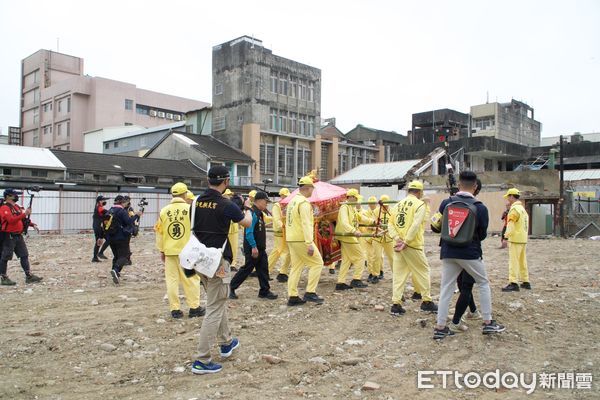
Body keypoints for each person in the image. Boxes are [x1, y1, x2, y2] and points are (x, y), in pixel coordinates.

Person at [188, 165, 253, 375]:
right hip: (218, 262)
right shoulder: (226, 204)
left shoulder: (196, 202)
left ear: (208, 180)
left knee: (217, 301)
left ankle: (226, 343)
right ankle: (202, 359)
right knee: (215, 307)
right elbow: (247, 222)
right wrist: (248, 207)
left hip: (199, 259)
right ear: (226, 181)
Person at [433, 171, 505, 339]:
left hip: (448, 251)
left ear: (459, 185)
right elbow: (482, 235)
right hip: (470, 252)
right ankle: (488, 322)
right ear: (475, 186)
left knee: (446, 288)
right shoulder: (480, 207)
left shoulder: (445, 203)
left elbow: (436, 224)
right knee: (483, 283)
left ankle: (440, 327)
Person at [155, 183, 204, 319]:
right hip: (187, 251)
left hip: (170, 251)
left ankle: (175, 309)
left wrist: (161, 250)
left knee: (171, 280)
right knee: (191, 279)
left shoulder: (164, 211)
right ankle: (194, 307)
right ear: (185, 194)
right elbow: (198, 230)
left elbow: (159, 232)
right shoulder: (190, 209)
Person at [388, 181, 438, 315]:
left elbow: (390, 224)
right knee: (423, 271)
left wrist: (397, 238)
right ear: (420, 192)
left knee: (399, 275)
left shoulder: (397, 205)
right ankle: (426, 301)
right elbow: (416, 225)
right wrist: (406, 240)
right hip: (412, 245)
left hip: (398, 244)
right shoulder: (420, 204)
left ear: (408, 191)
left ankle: (396, 304)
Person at [230, 191, 278, 300]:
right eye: (266, 202)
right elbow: (249, 232)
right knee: (247, 268)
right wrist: (254, 247)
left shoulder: (259, 213)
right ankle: (231, 287)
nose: (267, 204)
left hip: (260, 248)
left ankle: (264, 291)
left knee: (263, 268)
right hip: (253, 248)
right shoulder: (252, 213)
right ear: (260, 201)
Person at [285, 175, 325, 306]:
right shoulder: (304, 203)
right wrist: (309, 243)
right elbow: (306, 223)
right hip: (301, 238)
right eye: (312, 189)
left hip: (291, 238)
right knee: (317, 263)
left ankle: (293, 296)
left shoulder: (292, 201)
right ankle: (310, 292)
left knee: (296, 267)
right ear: (307, 188)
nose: (312, 191)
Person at [0, 189, 43, 285]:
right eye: (14, 195)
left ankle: (29, 276)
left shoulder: (16, 207)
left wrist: (32, 224)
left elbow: (22, 219)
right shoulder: (4, 208)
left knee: (24, 255)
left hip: (18, 236)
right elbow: (11, 220)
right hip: (8, 236)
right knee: (5, 257)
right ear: (8, 196)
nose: (16, 196)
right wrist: (25, 214)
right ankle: (3, 277)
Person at [334, 189, 372, 290]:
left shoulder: (352, 208)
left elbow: (360, 218)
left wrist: (373, 221)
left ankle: (340, 282)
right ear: (350, 197)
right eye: (355, 198)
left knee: (346, 260)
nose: (357, 201)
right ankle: (356, 279)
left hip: (348, 236)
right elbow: (344, 223)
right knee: (360, 257)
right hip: (348, 235)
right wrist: (354, 231)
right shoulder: (344, 207)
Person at [106, 195, 142, 284]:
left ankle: (115, 273)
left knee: (117, 256)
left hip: (110, 237)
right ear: (122, 202)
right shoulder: (121, 211)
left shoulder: (110, 210)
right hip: (121, 237)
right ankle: (116, 269)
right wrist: (137, 215)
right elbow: (129, 222)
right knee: (124, 256)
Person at [502, 188, 531, 292]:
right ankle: (525, 281)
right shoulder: (522, 209)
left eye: (508, 197)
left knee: (514, 261)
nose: (507, 199)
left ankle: (513, 282)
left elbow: (511, 224)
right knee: (522, 261)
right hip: (523, 238)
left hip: (515, 239)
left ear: (511, 196)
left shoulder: (514, 210)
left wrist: (506, 237)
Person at [269, 188, 291, 282]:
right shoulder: (277, 206)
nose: (286, 197)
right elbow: (276, 218)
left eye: (287, 196)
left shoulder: (288, 205)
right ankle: (283, 273)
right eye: (284, 196)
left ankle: (266, 269)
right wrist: (283, 226)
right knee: (285, 252)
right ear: (281, 196)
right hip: (280, 232)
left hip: (286, 232)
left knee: (277, 251)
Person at [362, 196, 379, 284]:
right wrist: (372, 226)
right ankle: (371, 273)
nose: (372, 205)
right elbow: (365, 223)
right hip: (368, 236)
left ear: (376, 204)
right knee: (369, 256)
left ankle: (378, 272)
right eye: (370, 204)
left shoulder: (379, 211)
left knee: (377, 256)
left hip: (377, 236)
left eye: (374, 203)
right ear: (368, 204)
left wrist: (373, 226)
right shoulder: (365, 212)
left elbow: (380, 223)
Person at [222, 189, 241, 271]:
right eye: (228, 195)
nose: (229, 196)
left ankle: (233, 264)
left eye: (230, 195)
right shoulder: (222, 205)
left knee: (234, 248)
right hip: (226, 231)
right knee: (225, 248)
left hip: (234, 231)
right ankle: (226, 263)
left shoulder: (232, 205)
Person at [92, 195, 110, 262]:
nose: (105, 201)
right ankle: (95, 257)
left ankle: (99, 254)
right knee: (99, 241)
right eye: (103, 200)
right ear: (100, 201)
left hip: (99, 226)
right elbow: (107, 213)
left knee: (108, 239)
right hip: (98, 227)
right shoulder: (99, 208)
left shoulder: (99, 207)